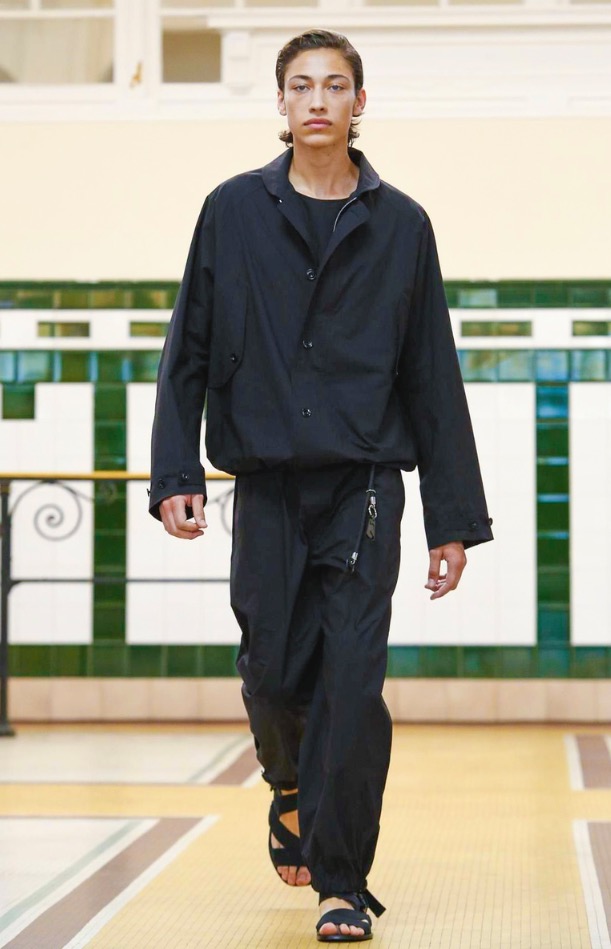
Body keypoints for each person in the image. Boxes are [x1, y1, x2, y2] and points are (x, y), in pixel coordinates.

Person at [149, 29, 493, 943]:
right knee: (271, 670)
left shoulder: (402, 225)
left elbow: (431, 373)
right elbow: (187, 347)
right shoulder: (231, 211)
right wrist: (176, 470)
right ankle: (289, 782)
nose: (316, 101)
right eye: (300, 86)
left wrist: (451, 519)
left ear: (357, 103)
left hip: (365, 487)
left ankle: (342, 881)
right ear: (280, 103)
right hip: (266, 484)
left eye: (333, 86)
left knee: (350, 682)